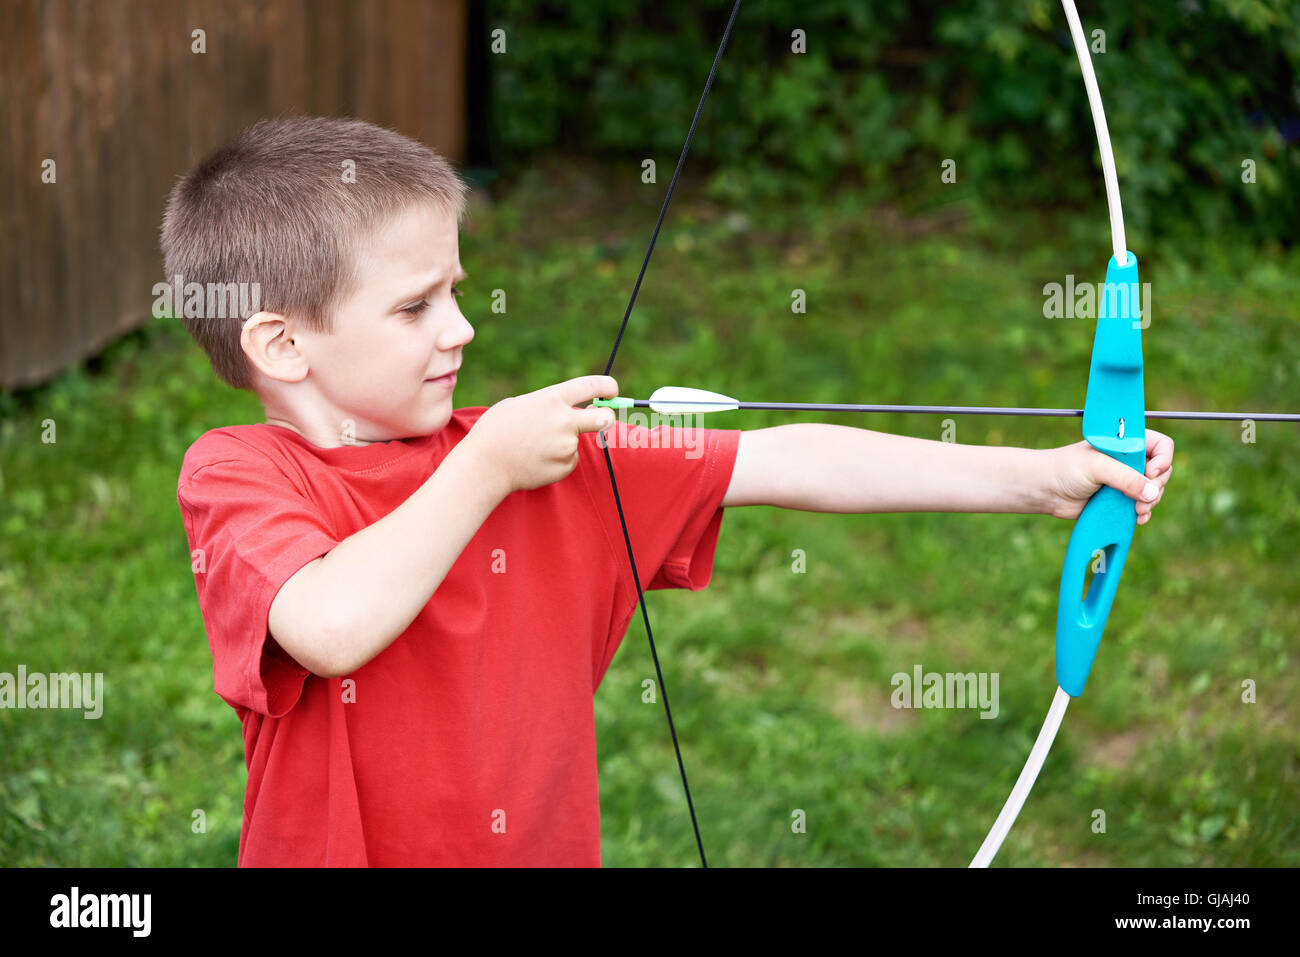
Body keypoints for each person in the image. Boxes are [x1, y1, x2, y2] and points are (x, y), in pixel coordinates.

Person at [166, 115, 1173, 866]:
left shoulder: (538, 462)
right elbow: (330, 625)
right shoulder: (242, 476)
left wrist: (1043, 479)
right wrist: (485, 468)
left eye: (458, 292)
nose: (460, 328)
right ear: (282, 343)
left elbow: (786, 460)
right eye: (416, 305)